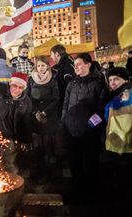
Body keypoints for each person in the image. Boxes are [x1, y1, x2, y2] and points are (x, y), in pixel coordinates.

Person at [62, 53, 107, 200]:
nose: (76, 68)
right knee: (74, 164)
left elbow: (101, 109)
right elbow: (66, 105)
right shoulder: (72, 84)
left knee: (89, 164)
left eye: (79, 64)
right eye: (75, 65)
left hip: (89, 134)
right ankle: (77, 192)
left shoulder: (98, 84)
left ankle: (90, 195)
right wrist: (65, 122)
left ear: (88, 64)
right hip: (71, 132)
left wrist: (90, 127)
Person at [26, 56, 60, 182]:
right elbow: (27, 97)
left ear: (47, 66)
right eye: (39, 65)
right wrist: (35, 112)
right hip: (34, 119)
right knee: (37, 148)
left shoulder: (53, 80)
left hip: (49, 119)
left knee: (48, 147)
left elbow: (56, 99)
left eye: (43, 65)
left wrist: (45, 112)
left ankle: (49, 174)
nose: (41, 68)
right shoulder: (31, 80)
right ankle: (36, 173)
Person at [103, 67, 132, 213]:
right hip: (118, 146)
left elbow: (108, 114)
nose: (112, 83)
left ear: (125, 80)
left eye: (116, 79)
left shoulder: (126, 96)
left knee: (125, 181)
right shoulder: (116, 95)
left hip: (125, 147)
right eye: (110, 80)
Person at [50, 44, 75, 112]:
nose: (51, 56)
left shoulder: (66, 67)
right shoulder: (67, 64)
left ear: (57, 54)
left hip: (66, 103)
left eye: (51, 54)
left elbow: (70, 87)